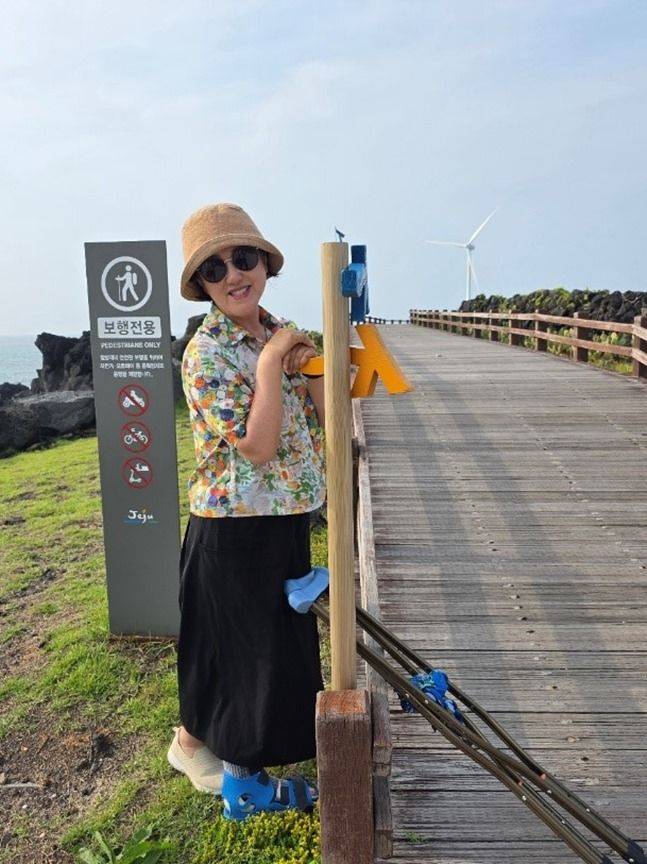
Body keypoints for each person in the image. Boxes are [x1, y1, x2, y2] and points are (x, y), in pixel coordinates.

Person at [167, 202, 326, 821]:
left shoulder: (275, 330)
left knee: (254, 647)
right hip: (232, 527)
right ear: (202, 285)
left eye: (243, 258)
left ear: (265, 264)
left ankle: (196, 747)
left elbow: (322, 416)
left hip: (282, 516)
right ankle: (239, 781)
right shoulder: (207, 354)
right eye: (215, 269)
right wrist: (269, 362)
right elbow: (257, 447)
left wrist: (309, 360)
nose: (234, 275)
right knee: (240, 656)